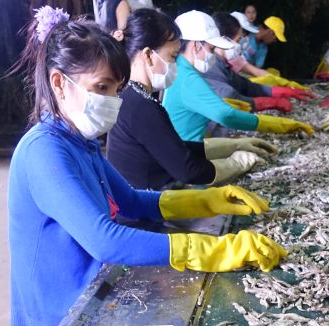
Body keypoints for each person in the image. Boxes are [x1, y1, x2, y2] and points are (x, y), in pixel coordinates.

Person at [8, 7, 285, 326]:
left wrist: (208, 199)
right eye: (102, 87)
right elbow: (105, 240)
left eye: (116, 89)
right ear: (58, 83)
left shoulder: (80, 141)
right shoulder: (44, 151)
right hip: (65, 311)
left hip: (94, 283)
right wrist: (210, 250)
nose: (113, 100)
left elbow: (133, 200)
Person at [106, 8, 276, 190]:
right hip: (144, 211)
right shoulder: (139, 105)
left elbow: (176, 147)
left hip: (149, 195)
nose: (175, 64)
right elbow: (188, 170)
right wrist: (238, 163)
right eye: (172, 57)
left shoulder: (135, 95)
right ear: (148, 55)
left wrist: (233, 145)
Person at [162, 11, 312, 143]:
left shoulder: (180, 68)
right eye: (212, 48)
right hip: (186, 153)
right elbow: (226, 116)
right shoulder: (188, 78)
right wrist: (280, 125)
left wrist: (283, 92)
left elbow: (245, 85)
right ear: (195, 45)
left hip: (188, 144)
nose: (213, 54)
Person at [201, 13, 291, 113]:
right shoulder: (210, 65)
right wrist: (272, 103)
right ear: (222, 39)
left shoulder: (221, 62)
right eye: (239, 39)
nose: (241, 43)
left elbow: (244, 84)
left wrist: (277, 90)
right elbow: (231, 97)